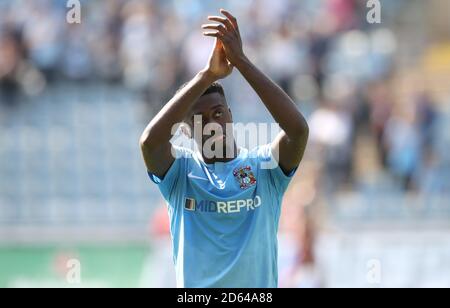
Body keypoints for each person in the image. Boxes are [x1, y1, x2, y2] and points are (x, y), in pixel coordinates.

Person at [139, 9, 309, 288]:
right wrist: (207, 75)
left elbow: (298, 130)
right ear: (184, 129)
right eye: (199, 119)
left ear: (230, 113)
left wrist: (241, 61)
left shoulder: (263, 167)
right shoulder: (180, 174)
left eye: (218, 113)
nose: (212, 124)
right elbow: (150, 142)